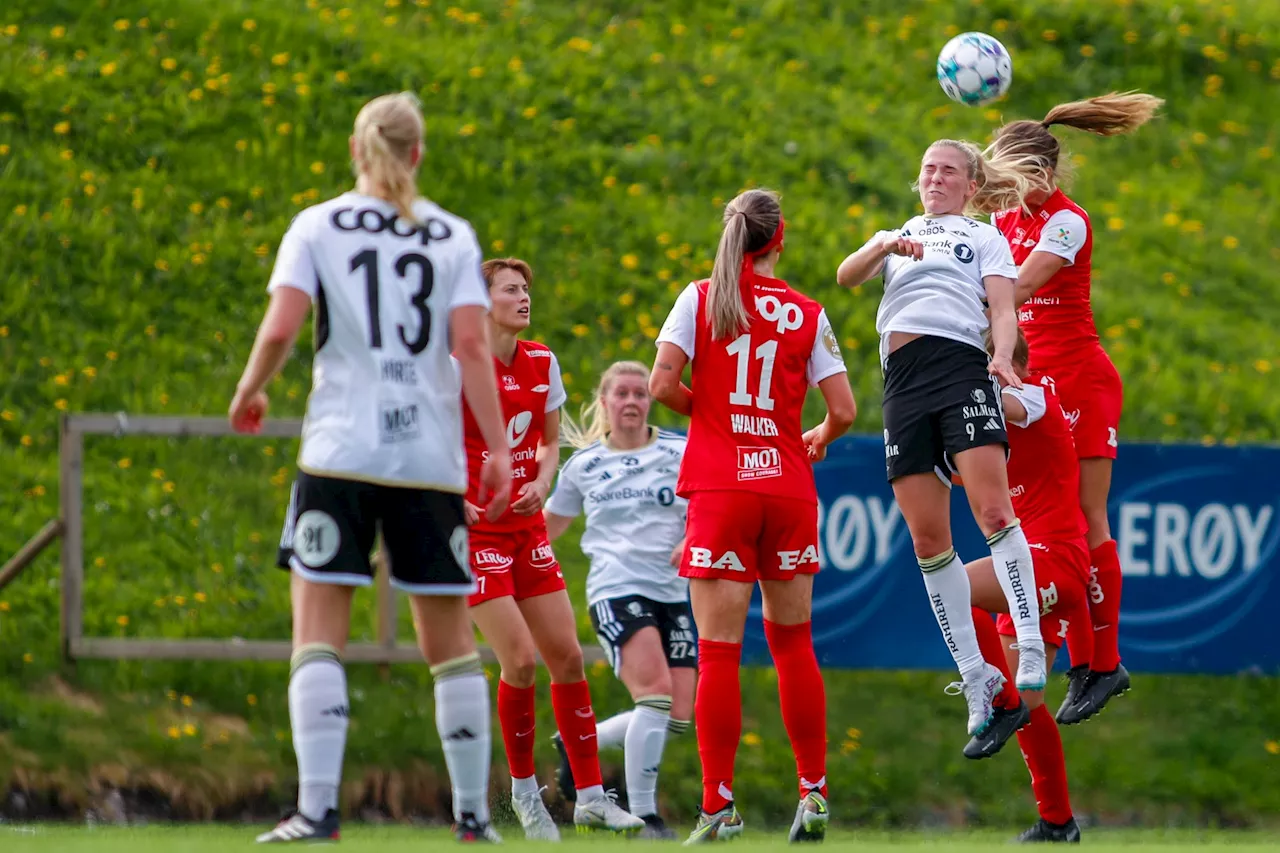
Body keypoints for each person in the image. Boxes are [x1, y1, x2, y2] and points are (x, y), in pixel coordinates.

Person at [230, 92, 510, 844]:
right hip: (427, 457)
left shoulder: (317, 224)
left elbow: (283, 323)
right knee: (449, 638)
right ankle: (473, 818)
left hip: (341, 448)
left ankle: (318, 810)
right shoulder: (452, 234)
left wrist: (251, 387)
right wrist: (501, 447)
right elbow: (473, 347)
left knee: (318, 629)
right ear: (418, 154)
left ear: (358, 152)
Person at [651, 188, 857, 844]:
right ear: (781, 238)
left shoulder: (701, 296)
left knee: (718, 653)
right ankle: (815, 790)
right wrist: (816, 434)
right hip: (788, 487)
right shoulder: (807, 312)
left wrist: (714, 415)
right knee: (793, 644)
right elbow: (845, 409)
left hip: (722, 487)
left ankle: (718, 805)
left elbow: (660, 384)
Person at [835, 139, 1047, 747]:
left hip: (960, 368)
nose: (935, 177)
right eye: (928, 169)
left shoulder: (983, 238)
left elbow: (1002, 309)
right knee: (929, 541)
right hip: (902, 384)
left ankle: (1028, 642)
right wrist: (882, 244)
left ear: (970, 187)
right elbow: (846, 277)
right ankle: (976, 676)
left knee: (993, 511)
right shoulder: (896, 233)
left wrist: (1002, 356)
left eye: (948, 170)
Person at [988, 92, 1163, 724]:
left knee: (1087, 517)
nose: (1003, 192)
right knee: (1049, 527)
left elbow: (1022, 285)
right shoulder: (1005, 220)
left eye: (1009, 179)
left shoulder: (1068, 220)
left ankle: (1102, 661)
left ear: (1038, 174)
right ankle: (1076, 660)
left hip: (1080, 381)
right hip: (1036, 383)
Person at [458, 258, 644, 840]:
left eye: (525, 289)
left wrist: (542, 480)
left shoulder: (542, 361)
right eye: (510, 289)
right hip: (474, 533)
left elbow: (544, 440)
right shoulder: (456, 364)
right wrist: (447, 500)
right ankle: (522, 792)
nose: (523, 297)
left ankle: (589, 796)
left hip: (525, 530)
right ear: (482, 300)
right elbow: (427, 437)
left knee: (567, 657)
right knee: (518, 661)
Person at [543, 361, 694, 840]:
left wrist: (692, 538)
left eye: (640, 394)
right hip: (617, 588)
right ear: (604, 403)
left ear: (650, 401)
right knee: (654, 693)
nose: (631, 402)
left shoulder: (680, 450)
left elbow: (708, 505)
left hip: (675, 591)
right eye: (621, 394)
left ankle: (575, 743)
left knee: (679, 716)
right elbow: (546, 529)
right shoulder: (583, 465)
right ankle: (645, 816)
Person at [956, 328, 1091, 843]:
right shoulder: (988, 433)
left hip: (1053, 562)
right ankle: (1058, 822)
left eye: (984, 364)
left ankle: (994, 697)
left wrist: (962, 379)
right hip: (1026, 569)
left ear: (1008, 365)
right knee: (1031, 708)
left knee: (954, 587)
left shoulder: (1033, 396)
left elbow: (1008, 403)